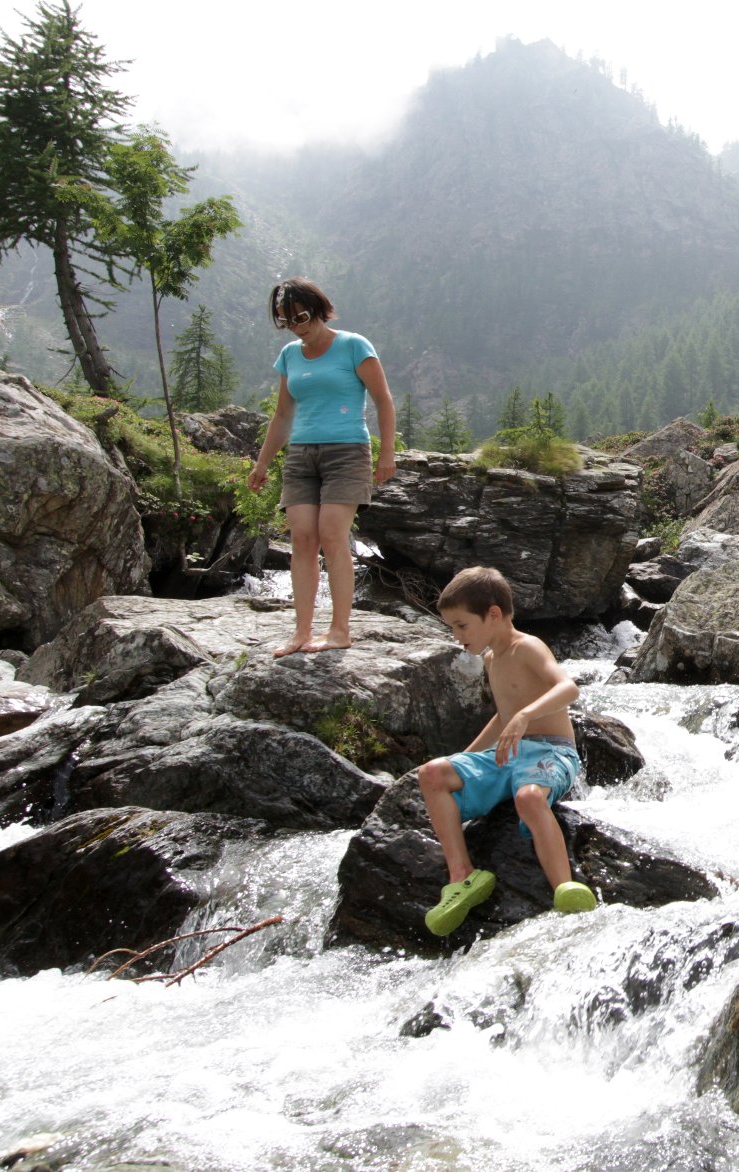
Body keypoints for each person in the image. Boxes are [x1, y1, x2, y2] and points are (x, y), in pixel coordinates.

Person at [417, 566, 596, 935]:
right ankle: (462, 876)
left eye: (462, 625)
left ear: (493, 614)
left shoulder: (526, 647)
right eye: (451, 627)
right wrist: (463, 757)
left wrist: (526, 715)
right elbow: (503, 717)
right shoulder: (490, 658)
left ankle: (564, 887)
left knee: (530, 798)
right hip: (508, 754)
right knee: (433, 773)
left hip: (552, 750)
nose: (457, 635)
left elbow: (569, 689)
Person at [248, 278, 396, 656]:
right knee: (301, 538)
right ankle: (300, 632)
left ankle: (339, 630)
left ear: (319, 310)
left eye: (302, 317)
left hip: (347, 451)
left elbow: (382, 400)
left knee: (332, 535)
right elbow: (283, 414)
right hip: (301, 455)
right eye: (287, 321)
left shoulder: (353, 346)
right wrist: (262, 463)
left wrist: (387, 453)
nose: (297, 326)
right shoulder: (290, 356)